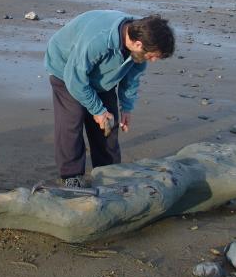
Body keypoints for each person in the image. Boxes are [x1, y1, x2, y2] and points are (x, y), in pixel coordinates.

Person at [44, 10, 175, 187]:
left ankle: (108, 171)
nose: (152, 61)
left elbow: (131, 79)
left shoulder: (141, 43)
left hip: (101, 76)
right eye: (152, 56)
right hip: (66, 70)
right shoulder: (99, 40)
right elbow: (74, 79)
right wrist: (97, 110)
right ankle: (71, 176)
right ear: (137, 44)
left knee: (108, 124)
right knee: (71, 123)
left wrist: (126, 108)